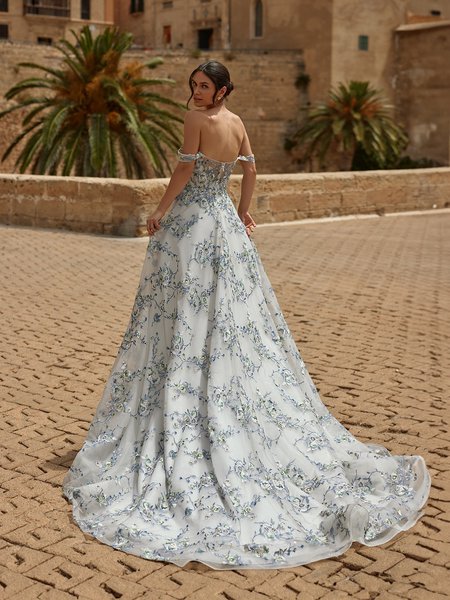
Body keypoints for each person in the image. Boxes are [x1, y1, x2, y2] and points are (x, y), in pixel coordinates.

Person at [63, 61, 431, 570]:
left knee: (181, 316)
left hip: (192, 225)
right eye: (193, 85)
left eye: (204, 86)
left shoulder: (197, 121)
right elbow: (252, 167)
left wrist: (161, 211)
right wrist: (242, 210)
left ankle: (183, 393)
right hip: (225, 226)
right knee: (233, 321)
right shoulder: (236, 124)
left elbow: (186, 169)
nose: (196, 92)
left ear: (222, 89)